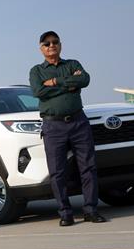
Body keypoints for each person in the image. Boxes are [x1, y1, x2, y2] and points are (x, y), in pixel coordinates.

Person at [29, 31, 107, 227]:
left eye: (55, 42)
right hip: (53, 126)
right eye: (47, 43)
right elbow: (39, 91)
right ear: (41, 48)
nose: (51, 45)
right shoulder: (37, 71)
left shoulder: (72, 64)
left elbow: (85, 80)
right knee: (58, 172)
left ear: (60, 45)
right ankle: (65, 213)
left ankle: (91, 210)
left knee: (88, 167)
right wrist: (69, 83)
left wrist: (55, 82)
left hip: (79, 122)